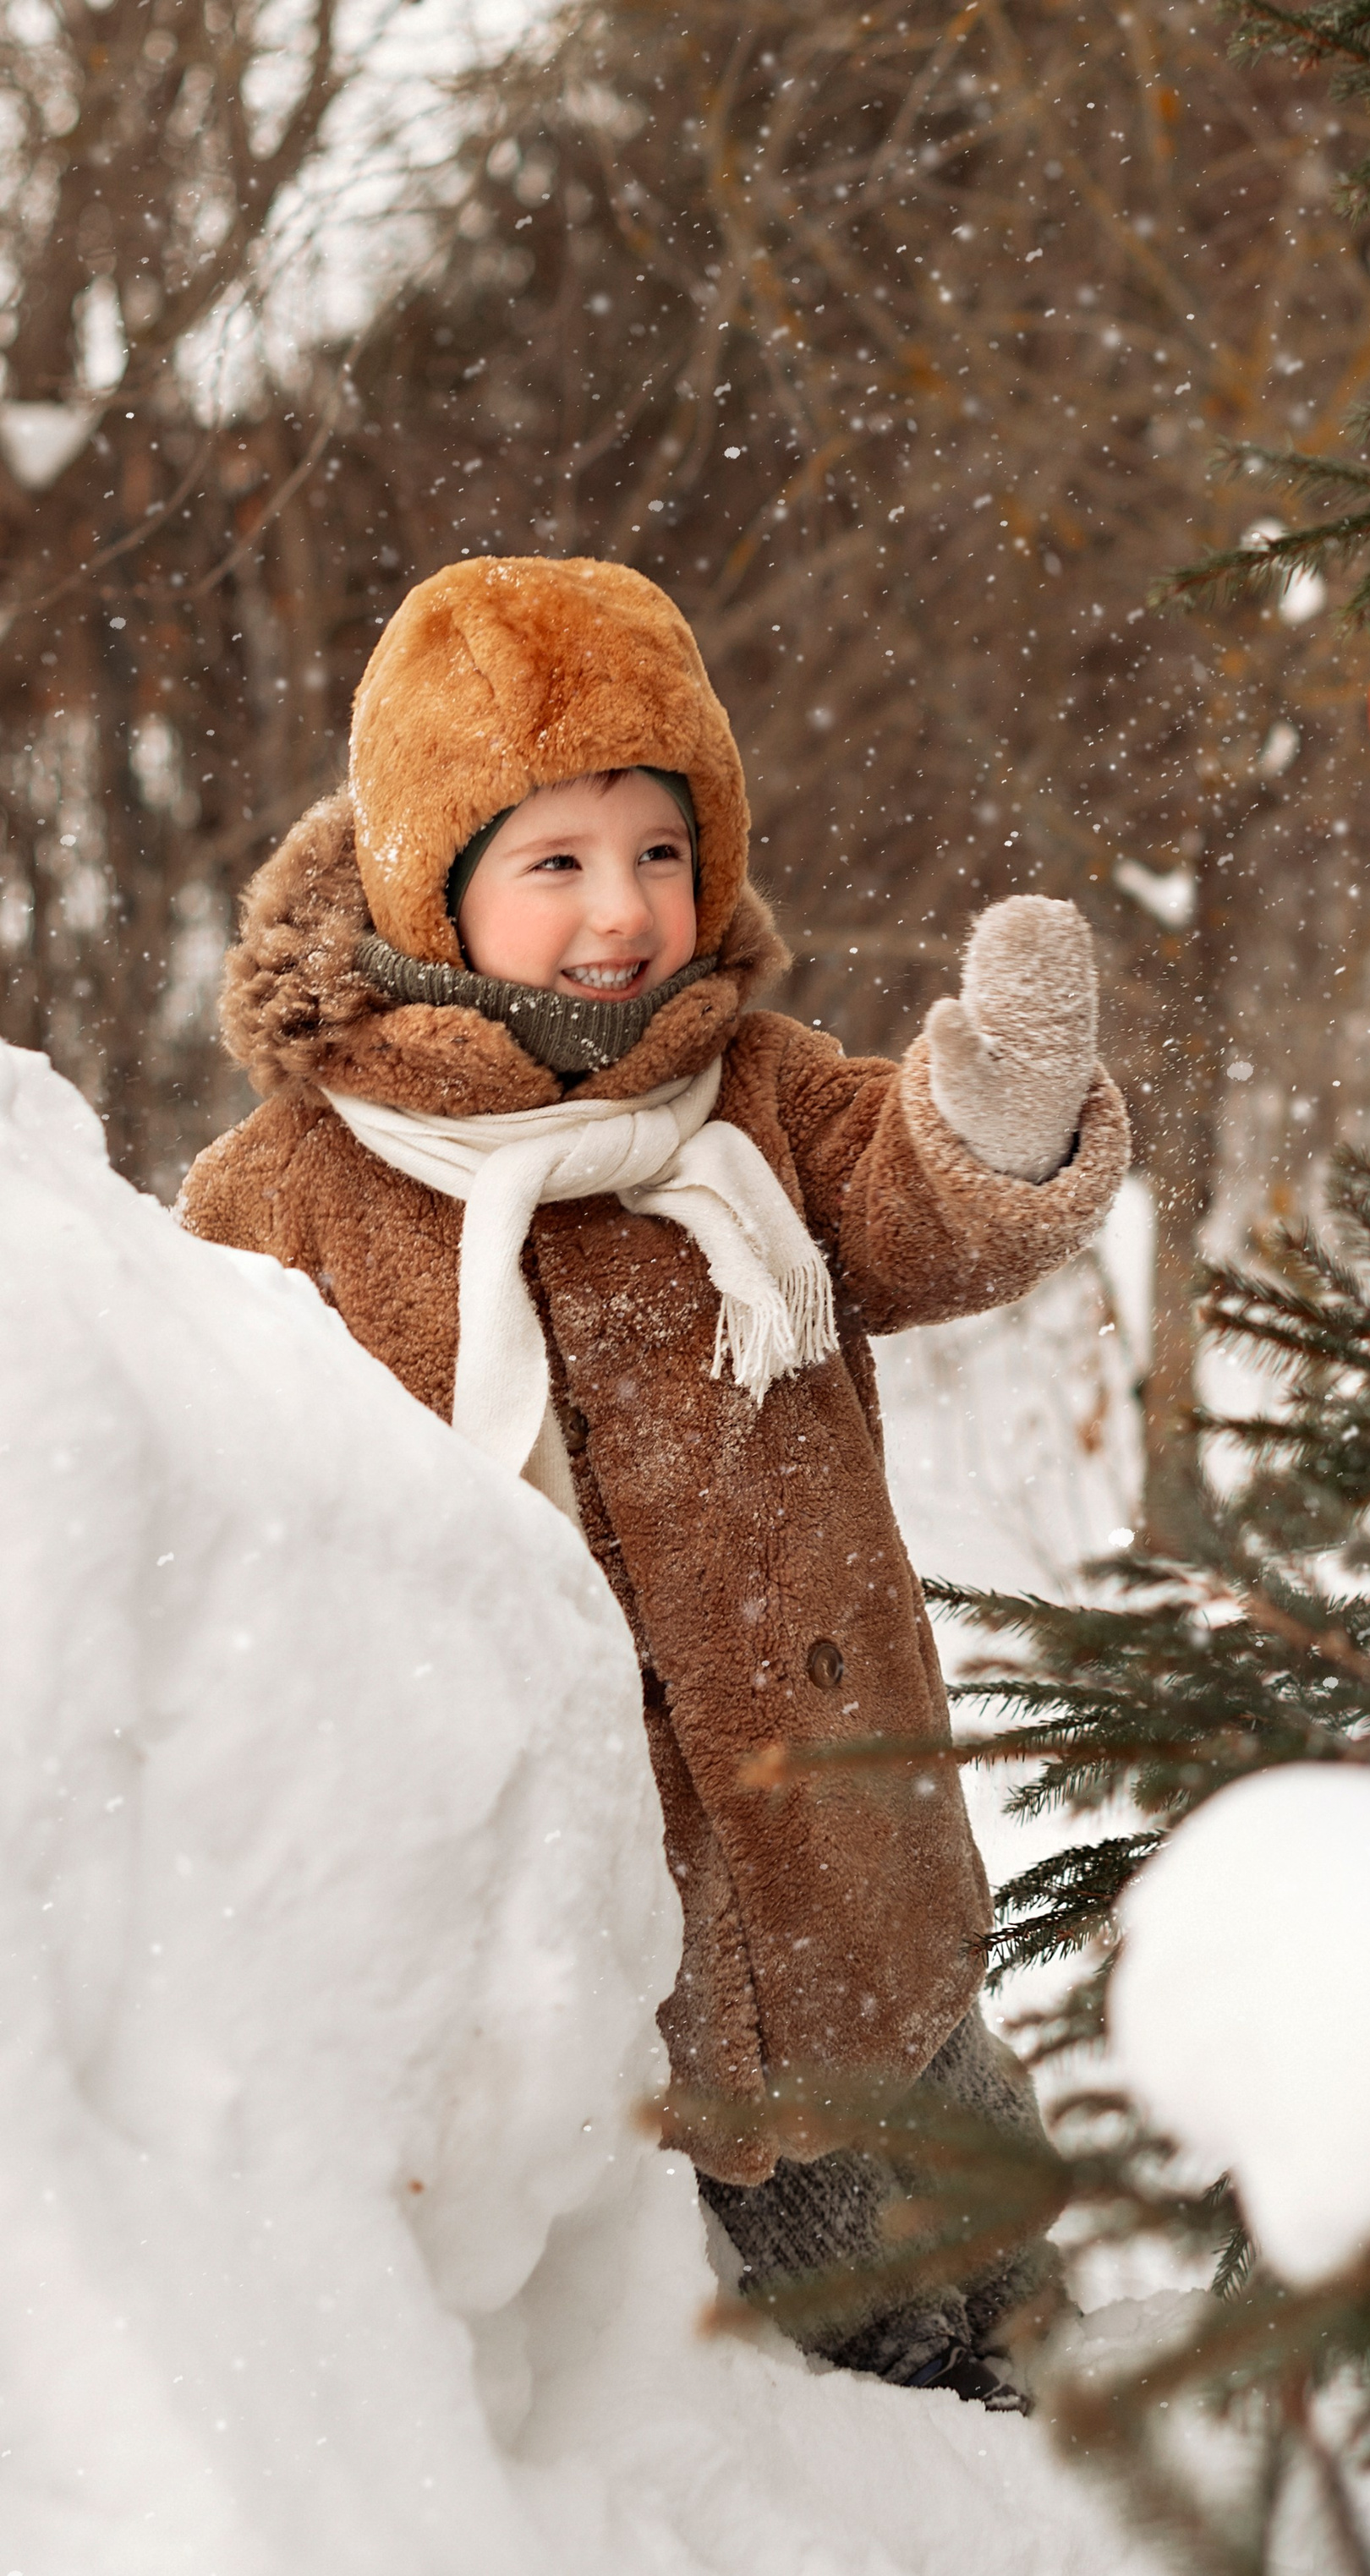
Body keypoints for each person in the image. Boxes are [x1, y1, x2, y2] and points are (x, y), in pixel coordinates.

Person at [180, 555, 1128, 2406]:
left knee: (947, 2180)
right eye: (555, 863)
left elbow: (909, 1207)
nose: (623, 913)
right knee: (728, 2302)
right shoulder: (290, 1188)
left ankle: (1028, 2395)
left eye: (660, 852)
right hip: (560, 1876)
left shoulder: (753, 1098)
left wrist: (993, 1104)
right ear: (427, 883)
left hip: (839, 1825)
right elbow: (215, 1467)